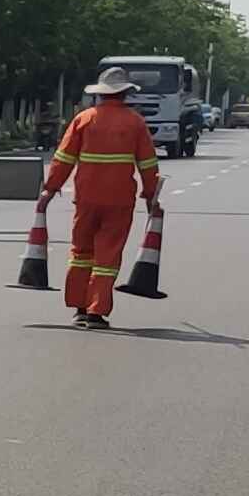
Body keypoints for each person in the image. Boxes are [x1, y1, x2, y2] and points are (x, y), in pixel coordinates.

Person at [43, 71, 165, 330]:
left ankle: (79, 308)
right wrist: (151, 197)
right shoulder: (135, 123)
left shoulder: (83, 119)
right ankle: (96, 312)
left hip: (86, 198)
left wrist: (50, 190)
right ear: (125, 93)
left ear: (99, 93)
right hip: (120, 201)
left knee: (81, 252)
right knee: (107, 256)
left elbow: (63, 159)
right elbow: (147, 164)